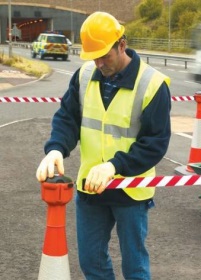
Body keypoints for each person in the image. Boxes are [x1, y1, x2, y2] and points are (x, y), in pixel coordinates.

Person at [35, 11, 171, 279]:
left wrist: (115, 166)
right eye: (93, 56)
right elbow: (68, 117)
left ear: (122, 45)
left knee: (135, 267)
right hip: (91, 188)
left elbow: (155, 143)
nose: (99, 63)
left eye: (104, 55)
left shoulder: (152, 84)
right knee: (91, 263)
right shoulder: (85, 75)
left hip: (130, 190)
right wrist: (56, 148)